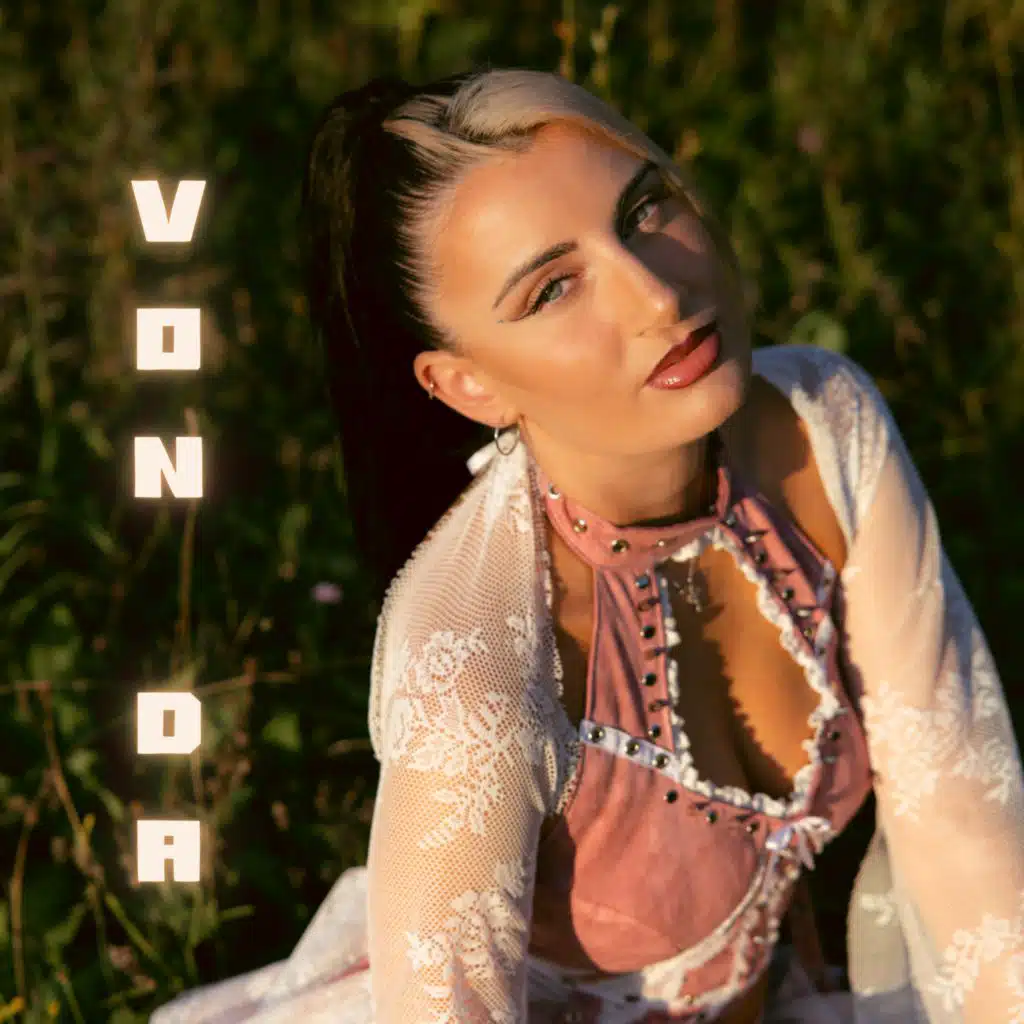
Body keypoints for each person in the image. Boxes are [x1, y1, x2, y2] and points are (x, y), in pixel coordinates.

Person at [150, 68, 1024, 1024]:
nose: (658, 295)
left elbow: (962, 827)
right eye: (554, 288)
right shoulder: (475, 666)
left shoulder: (825, 425)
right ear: (471, 386)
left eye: (644, 211)